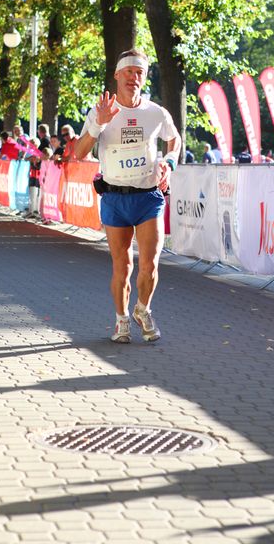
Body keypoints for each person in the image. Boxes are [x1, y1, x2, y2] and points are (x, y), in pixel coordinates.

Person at [74, 49, 181, 344]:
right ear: (117, 75)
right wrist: (99, 124)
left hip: (148, 197)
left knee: (150, 264)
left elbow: (174, 139)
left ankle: (143, 310)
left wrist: (169, 162)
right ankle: (121, 320)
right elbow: (79, 152)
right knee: (123, 267)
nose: (134, 78)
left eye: (140, 73)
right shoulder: (99, 112)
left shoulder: (156, 113)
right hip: (115, 198)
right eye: (129, 72)